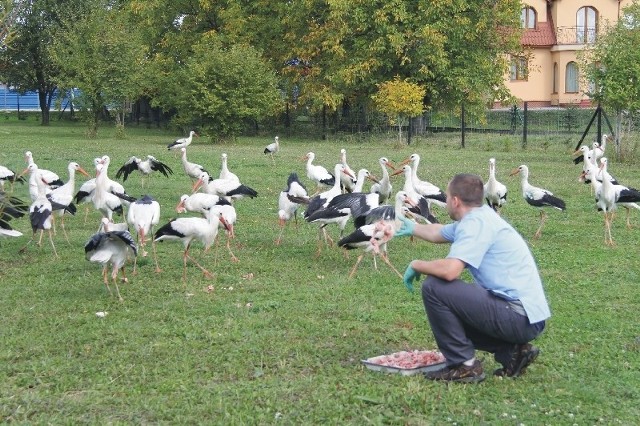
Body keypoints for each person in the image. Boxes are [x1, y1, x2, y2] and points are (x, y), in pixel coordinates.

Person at [396, 173, 550, 383]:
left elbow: (451, 270)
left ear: (455, 201)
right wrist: (411, 227)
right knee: (453, 305)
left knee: (435, 287)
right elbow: (439, 232)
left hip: (519, 317)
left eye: (447, 197)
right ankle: (513, 352)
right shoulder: (481, 216)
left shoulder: (475, 224)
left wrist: (417, 265)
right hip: (528, 316)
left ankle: (465, 366)